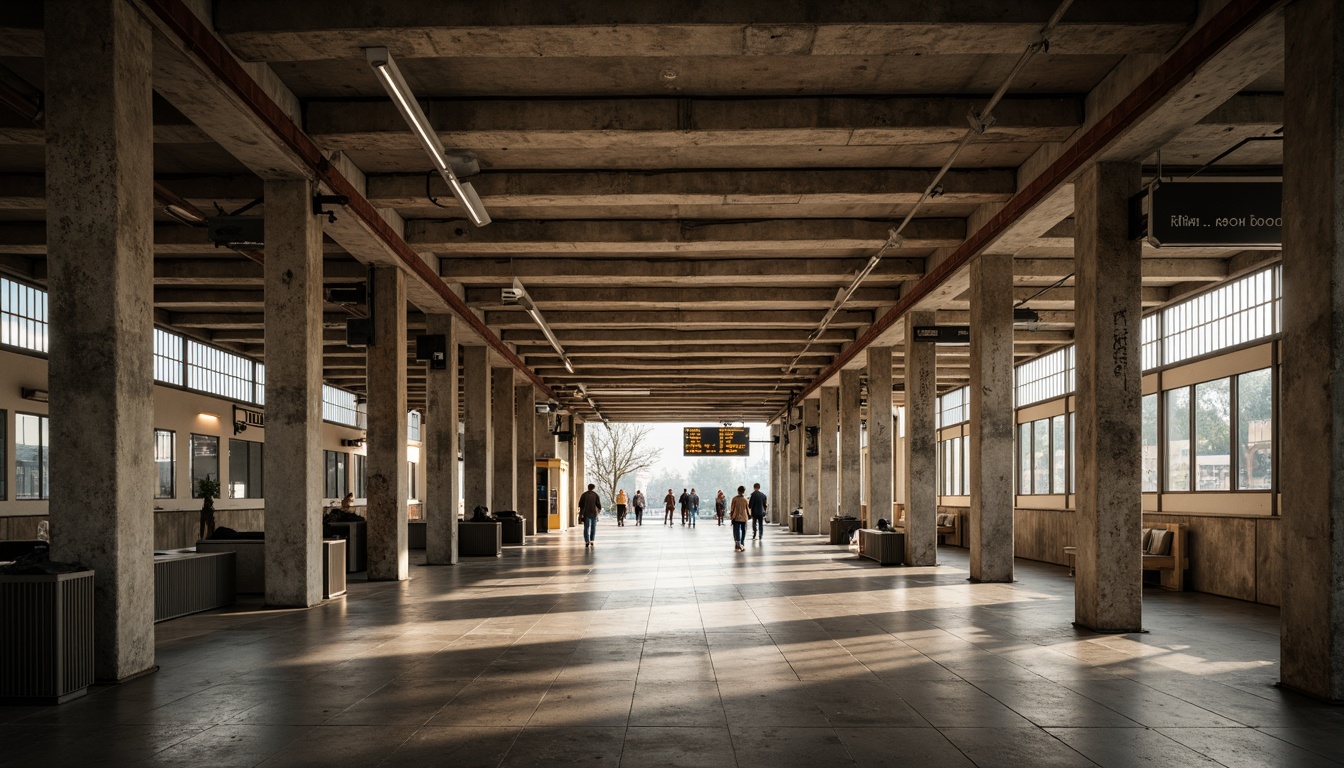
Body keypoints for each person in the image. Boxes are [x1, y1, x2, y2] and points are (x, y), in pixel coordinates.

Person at [578, 483, 602, 548]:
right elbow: (599, 505)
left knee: (586, 528)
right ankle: (592, 540)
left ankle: (586, 541)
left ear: (588, 487)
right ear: (593, 488)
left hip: (586, 514)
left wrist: (581, 513)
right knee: (593, 528)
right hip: (594, 513)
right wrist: (598, 510)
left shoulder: (583, 495)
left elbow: (580, 504)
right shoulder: (596, 495)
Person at [730, 486, 749, 552]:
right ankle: (742, 543)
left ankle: (737, 543)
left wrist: (731, 516)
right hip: (744, 517)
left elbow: (732, 509)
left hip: (736, 517)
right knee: (743, 531)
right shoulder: (745, 499)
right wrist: (749, 516)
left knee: (736, 531)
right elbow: (748, 509)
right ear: (744, 491)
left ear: (738, 491)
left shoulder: (734, 499)